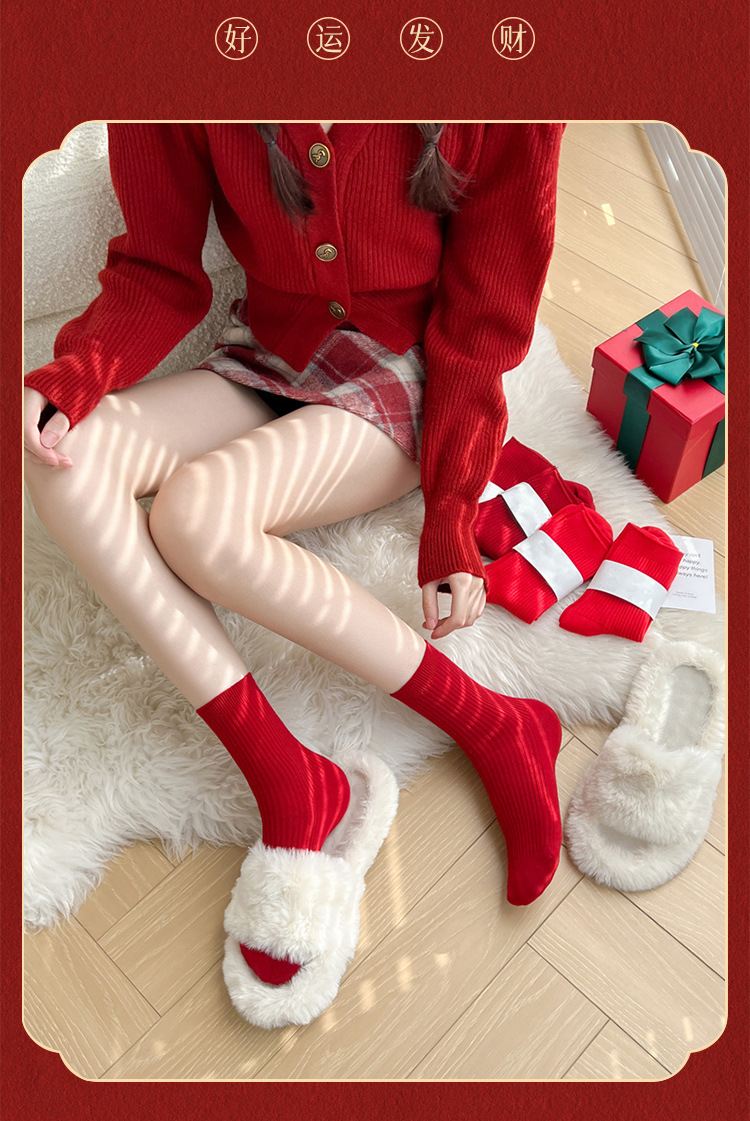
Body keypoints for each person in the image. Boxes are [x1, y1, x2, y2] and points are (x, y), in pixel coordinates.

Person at [24, 121, 567, 1023]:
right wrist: (74, 375)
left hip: (406, 371)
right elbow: (158, 267)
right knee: (64, 464)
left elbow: (482, 322)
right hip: (265, 353)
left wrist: (451, 510)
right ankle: (289, 773)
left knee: (194, 518)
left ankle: (499, 722)